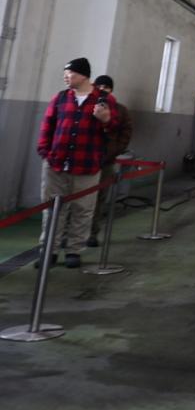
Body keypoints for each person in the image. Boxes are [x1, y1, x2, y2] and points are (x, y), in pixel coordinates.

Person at [33, 57, 119, 270]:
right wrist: (45, 151)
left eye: (69, 73)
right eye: (65, 73)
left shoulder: (104, 100)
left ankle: (74, 250)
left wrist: (106, 120)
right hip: (56, 164)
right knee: (53, 209)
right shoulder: (61, 98)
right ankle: (49, 250)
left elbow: (114, 129)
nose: (65, 77)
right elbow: (48, 125)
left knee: (83, 209)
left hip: (86, 164)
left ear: (83, 75)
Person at [87, 74, 132, 247]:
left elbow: (126, 133)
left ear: (111, 89)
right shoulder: (87, 106)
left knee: (99, 199)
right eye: (100, 86)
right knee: (77, 199)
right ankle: (68, 234)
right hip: (85, 160)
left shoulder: (121, 111)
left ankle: (92, 233)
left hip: (106, 161)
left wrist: (114, 151)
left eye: (106, 87)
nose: (103, 90)